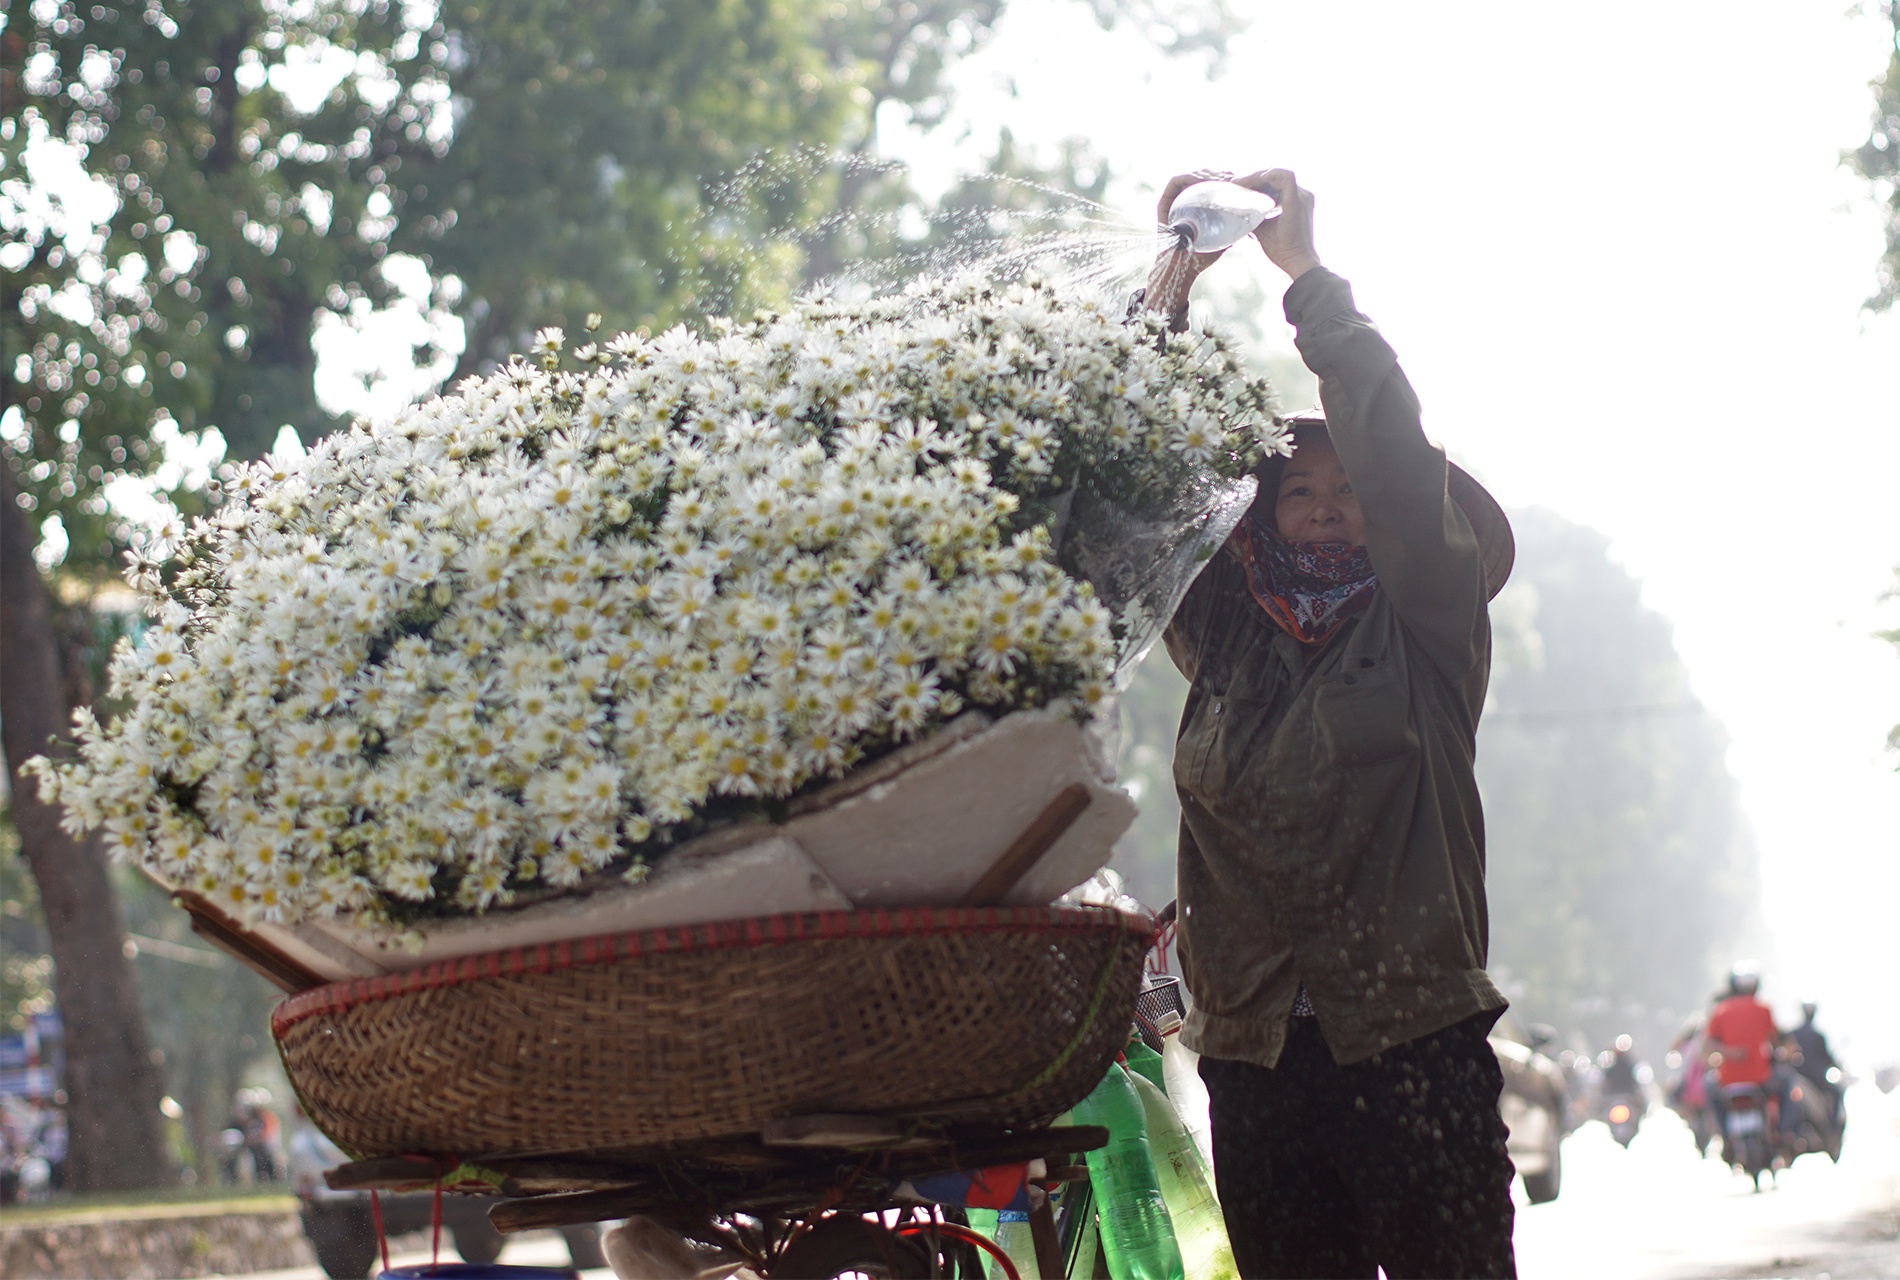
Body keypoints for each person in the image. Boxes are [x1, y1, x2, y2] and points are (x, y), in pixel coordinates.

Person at [1147, 169, 1518, 1280]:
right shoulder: (1221, 633)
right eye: (1298, 491)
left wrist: (1306, 280)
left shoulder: (1425, 625)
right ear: (1262, 515)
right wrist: (1173, 285)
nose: (1326, 507)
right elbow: (1145, 475)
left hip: (1412, 1036)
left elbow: (1400, 463)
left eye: (1347, 489)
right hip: (1255, 1055)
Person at [1703, 963, 1786, 1136]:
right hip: (1761, 1078)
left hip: (1727, 1079)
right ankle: (1783, 1131)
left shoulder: (1720, 1010)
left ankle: (1723, 1135)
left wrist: (1728, 1053)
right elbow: (1776, 1040)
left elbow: (1709, 1044)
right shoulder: (1764, 1009)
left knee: (1709, 1089)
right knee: (1788, 1083)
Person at [1788, 999, 1843, 1125]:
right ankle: (1832, 1124)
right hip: (1815, 1078)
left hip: (1797, 1075)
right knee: (1836, 1092)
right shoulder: (1818, 1036)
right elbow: (1827, 1058)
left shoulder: (1792, 1034)